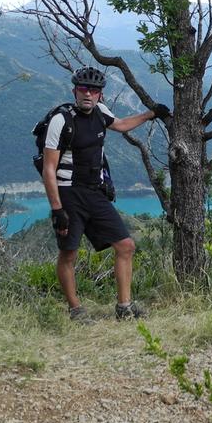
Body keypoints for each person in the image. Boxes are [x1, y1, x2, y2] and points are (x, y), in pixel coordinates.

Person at [42, 66, 159, 322]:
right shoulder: (61, 121)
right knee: (69, 253)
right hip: (68, 193)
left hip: (95, 192)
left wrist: (152, 114)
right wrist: (57, 209)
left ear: (100, 95)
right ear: (74, 91)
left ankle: (124, 307)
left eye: (94, 90)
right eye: (83, 89)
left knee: (126, 245)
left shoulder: (100, 113)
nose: (88, 94)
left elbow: (122, 125)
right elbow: (49, 168)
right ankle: (76, 310)